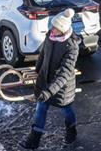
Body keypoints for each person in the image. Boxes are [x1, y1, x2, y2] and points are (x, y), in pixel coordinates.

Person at [21, 9, 80, 149]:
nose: (52, 29)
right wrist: (37, 70)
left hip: (62, 88)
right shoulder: (50, 35)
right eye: (52, 26)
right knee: (40, 109)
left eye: (55, 28)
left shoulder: (71, 46)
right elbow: (43, 54)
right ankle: (34, 140)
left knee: (66, 110)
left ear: (63, 30)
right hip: (44, 80)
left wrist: (49, 91)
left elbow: (64, 73)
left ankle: (71, 131)